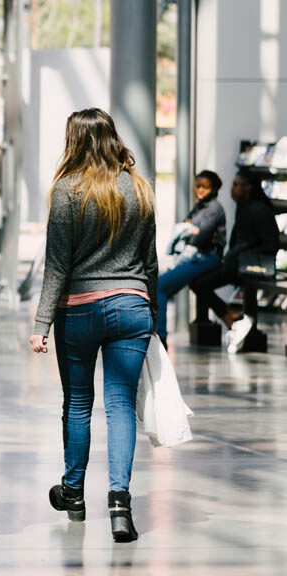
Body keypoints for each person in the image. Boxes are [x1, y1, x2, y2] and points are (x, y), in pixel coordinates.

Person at [29, 108, 157, 544]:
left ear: (75, 141)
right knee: (121, 405)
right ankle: (120, 503)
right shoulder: (139, 188)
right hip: (132, 305)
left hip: (80, 310)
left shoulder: (67, 191)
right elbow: (150, 263)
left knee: (79, 403)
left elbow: (57, 265)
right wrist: (151, 313)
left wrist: (42, 322)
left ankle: (74, 492)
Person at [189, 170, 281, 352]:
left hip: (246, 265)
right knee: (197, 281)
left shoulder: (257, 209)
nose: (233, 189)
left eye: (237, 184)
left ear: (248, 187)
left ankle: (234, 319)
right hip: (238, 263)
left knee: (199, 283)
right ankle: (233, 318)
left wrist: (237, 252)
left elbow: (269, 242)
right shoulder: (246, 206)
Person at [156, 170, 228, 347]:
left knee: (160, 287)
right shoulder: (200, 207)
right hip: (196, 256)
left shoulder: (213, 208)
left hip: (206, 257)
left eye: (205, 187)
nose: (200, 190)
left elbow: (200, 234)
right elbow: (190, 228)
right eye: (198, 186)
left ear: (213, 188)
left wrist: (191, 230)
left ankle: (161, 337)